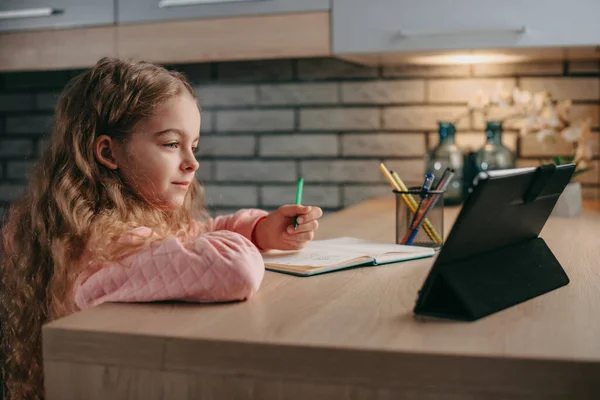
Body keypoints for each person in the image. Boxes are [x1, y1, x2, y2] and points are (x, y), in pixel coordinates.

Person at [0, 57, 322, 400]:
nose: (192, 162)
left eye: (194, 147)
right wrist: (237, 242)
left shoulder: (104, 224)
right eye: (171, 144)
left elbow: (193, 234)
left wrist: (259, 230)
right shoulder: (103, 248)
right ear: (109, 152)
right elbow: (234, 267)